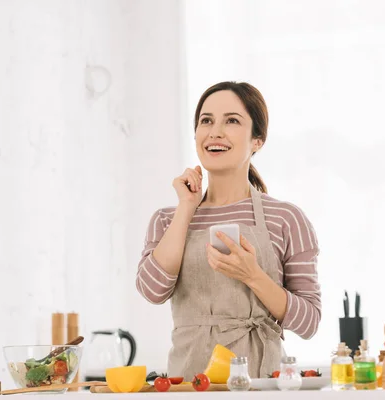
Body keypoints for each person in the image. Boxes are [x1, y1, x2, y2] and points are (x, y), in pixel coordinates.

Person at [136, 81, 321, 379]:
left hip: (262, 384)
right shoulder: (168, 219)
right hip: (189, 384)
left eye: (232, 121)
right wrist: (186, 207)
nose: (215, 131)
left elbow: (309, 322)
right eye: (206, 121)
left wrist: (253, 276)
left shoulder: (286, 218)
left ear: (257, 140)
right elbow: (153, 291)